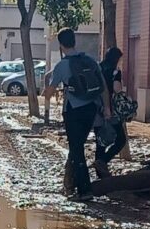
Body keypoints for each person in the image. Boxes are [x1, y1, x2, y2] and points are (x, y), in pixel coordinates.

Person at [43, 28, 111, 202]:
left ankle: (84, 190)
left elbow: (49, 92)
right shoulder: (90, 61)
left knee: (77, 148)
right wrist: (107, 109)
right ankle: (70, 184)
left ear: (61, 45)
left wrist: (50, 89)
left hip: (73, 110)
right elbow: (103, 87)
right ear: (75, 41)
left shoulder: (62, 66)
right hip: (91, 109)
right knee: (77, 147)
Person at [94, 47, 128, 179]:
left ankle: (100, 174)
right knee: (120, 139)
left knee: (100, 141)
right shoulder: (115, 71)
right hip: (111, 109)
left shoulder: (98, 68)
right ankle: (103, 162)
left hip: (96, 108)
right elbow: (117, 89)